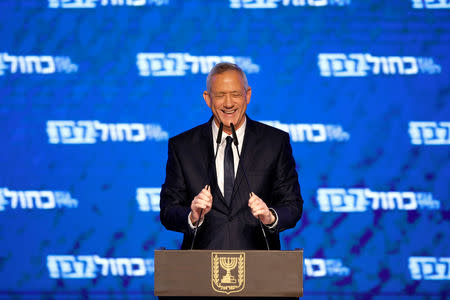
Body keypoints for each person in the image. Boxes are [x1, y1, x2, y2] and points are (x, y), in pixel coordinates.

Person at [160, 62, 303, 250]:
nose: (228, 103)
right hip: (199, 269)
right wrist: (192, 216)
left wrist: (270, 216)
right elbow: (168, 210)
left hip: (260, 268)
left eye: (235, 94)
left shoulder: (275, 142)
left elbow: (292, 205)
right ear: (208, 99)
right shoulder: (183, 146)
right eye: (220, 95)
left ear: (248, 95)